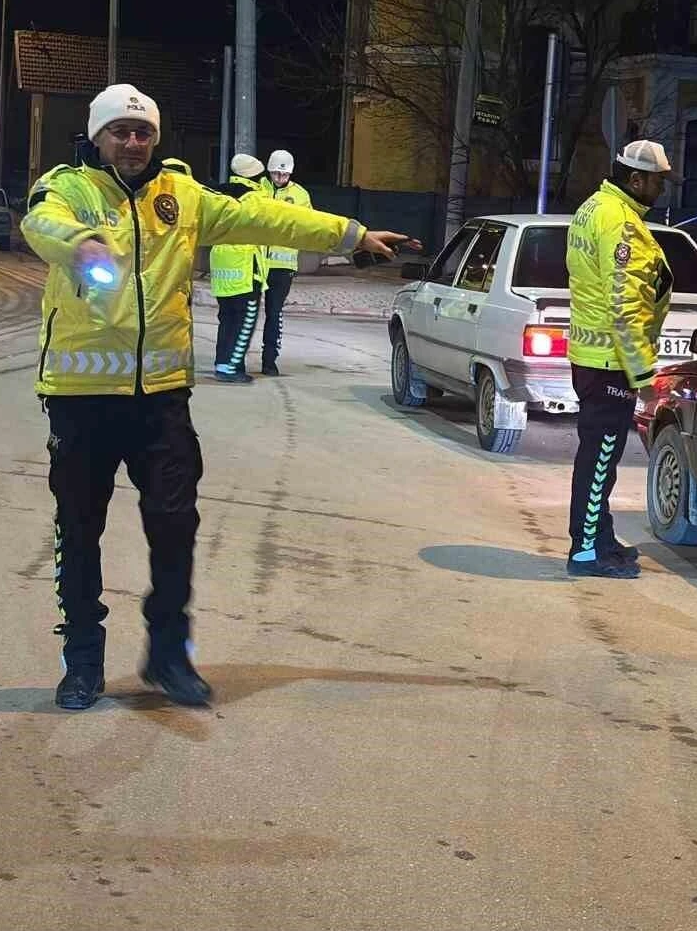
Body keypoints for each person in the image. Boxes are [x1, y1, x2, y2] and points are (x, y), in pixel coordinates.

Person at [22, 83, 416, 710]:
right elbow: (40, 222)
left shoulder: (181, 194)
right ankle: (83, 661)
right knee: (79, 529)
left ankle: (170, 654)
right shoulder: (68, 188)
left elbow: (266, 216)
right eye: (120, 131)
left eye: (143, 131)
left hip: (161, 400)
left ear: (156, 137)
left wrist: (352, 233)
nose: (132, 142)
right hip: (80, 396)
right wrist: (80, 245)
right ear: (97, 137)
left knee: (176, 527)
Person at [564, 140, 674, 579]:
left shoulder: (594, 207)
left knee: (599, 457)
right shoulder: (620, 223)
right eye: (657, 181)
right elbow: (624, 305)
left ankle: (600, 536)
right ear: (635, 178)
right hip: (610, 362)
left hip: (593, 355)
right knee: (600, 457)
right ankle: (586, 551)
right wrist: (644, 375)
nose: (661, 189)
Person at [209, 153, 268, 383]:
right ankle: (232, 368)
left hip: (222, 267)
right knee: (245, 319)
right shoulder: (254, 198)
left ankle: (221, 363)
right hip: (244, 267)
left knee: (226, 318)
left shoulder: (220, 194)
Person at [258, 148, 312, 376]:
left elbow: (308, 224)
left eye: (284, 175)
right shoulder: (258, 188)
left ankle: (269, 361)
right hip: (256, 262)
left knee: (274, 313)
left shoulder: (301, 195)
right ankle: (235, 359)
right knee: (247, 313)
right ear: (269, 171)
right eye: (275, 174)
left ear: (290, 173)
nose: (279, 178)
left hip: (282, 267)